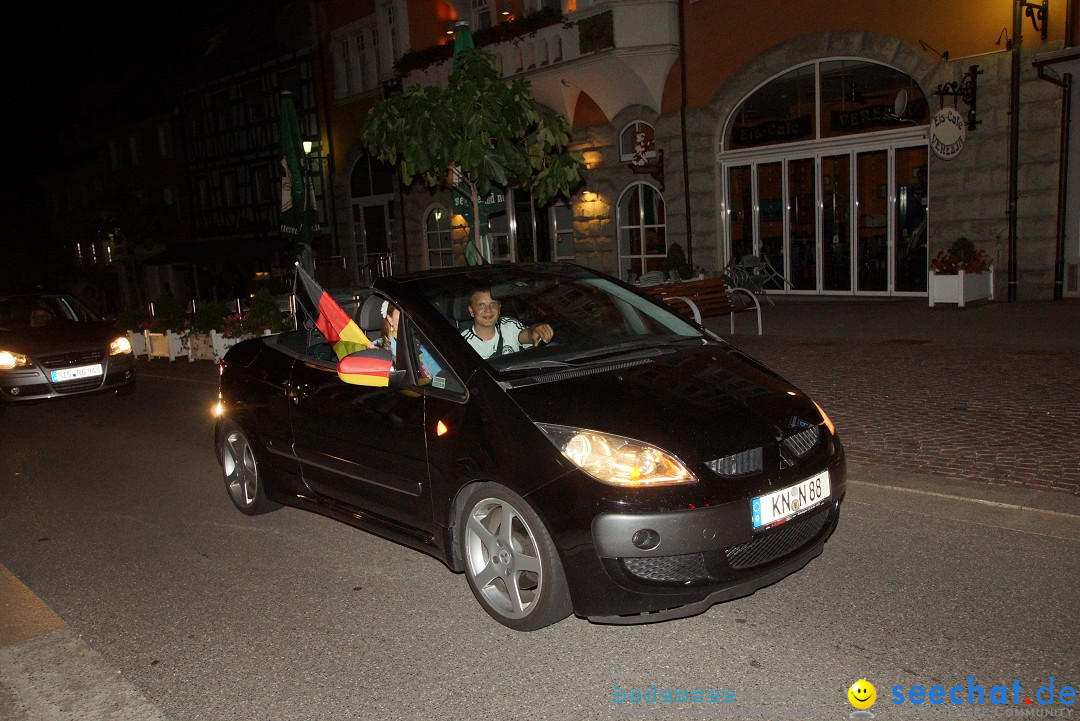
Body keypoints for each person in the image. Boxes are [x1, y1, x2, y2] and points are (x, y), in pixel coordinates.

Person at [460, 286, 553, 359]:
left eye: (493, 304)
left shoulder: (509, 326)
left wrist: (536, 330)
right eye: (481, 305)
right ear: (472, 311)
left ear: (499, 308)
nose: (488, 310)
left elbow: (528, 335)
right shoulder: (463, 344)